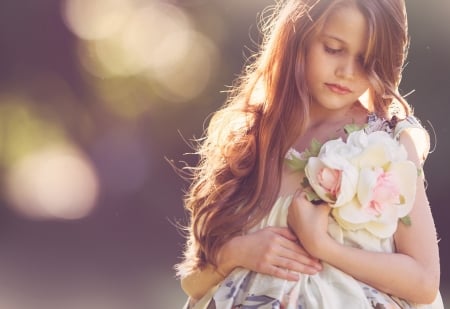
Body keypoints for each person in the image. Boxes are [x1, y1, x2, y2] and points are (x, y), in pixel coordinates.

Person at [175, 0, 443, 308]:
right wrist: (237, 253)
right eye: (332, 49)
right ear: (298, 38)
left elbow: (423, 281)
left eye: (367, 60)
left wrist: (323, 247)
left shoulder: (386, 145)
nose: (346, 71)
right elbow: (192, 281)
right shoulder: (249, 141)